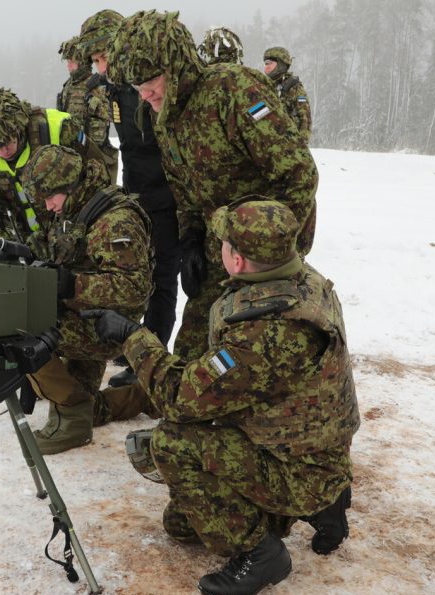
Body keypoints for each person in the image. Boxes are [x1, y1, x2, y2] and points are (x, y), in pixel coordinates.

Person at [83, 199, 359, 595]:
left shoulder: (264, 332)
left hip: (299, 467)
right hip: (315, 451)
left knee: (172, 443)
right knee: (182, 525)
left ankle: (262, 554)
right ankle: (325, 504)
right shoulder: (303, 282)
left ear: (239, 260)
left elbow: (179, 397)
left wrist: (131, 335)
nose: (219, 249)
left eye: (225, 243)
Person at [108, 11, 319, 364]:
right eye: (136, 88)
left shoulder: (234, 91)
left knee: (259, 351)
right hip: (218, 242)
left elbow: (299, 174)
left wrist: (266, 250)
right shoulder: (166, 119)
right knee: (194, 347)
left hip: (269, 246)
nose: (144, 96)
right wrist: (190, 240)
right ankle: (189, 413)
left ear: (175, 67)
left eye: (150, 83)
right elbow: (185, 191)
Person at [19, 145, 152, 454]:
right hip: (82, 315)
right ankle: (147, 396)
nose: (49, 206)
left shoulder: (116, 222)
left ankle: (73, 422)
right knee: (89, 410)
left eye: (52, 197)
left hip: (108, 329)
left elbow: (135, 288)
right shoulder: (75, 209)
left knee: (22, 329)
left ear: (69, 185)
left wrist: (71, 285)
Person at [77, 9, 182, 390]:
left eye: (101, 57)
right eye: (94, 61)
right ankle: (137, 342)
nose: (98, 66)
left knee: (164, 273)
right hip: (137, 189)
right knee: (139, 268)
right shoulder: (111, 87)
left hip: (171, 193)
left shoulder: (148, 81)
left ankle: (153, 353)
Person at [0, 87, 83, 257]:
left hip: (66, 237)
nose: (4, 151)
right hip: (11, 242)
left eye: (8, 142)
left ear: (18, 126)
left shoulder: (57, 129)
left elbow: (96, 178)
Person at [56, 37, 118, 185]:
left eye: (71, 61)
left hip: (96, 154)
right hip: (73, 155)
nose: (68, 65)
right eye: (67, 61)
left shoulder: (98, 83)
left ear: (82, 61)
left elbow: (113, 115)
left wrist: (93, 103)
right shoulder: (68, 87)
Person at [263, 47, 312, 144]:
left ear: (281, 64)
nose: (266, 67)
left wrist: (300, 146)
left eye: (269, 63)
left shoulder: (294, 88)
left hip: (288, 146)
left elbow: (305, 119)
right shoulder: (263, 87)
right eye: (265, 64)